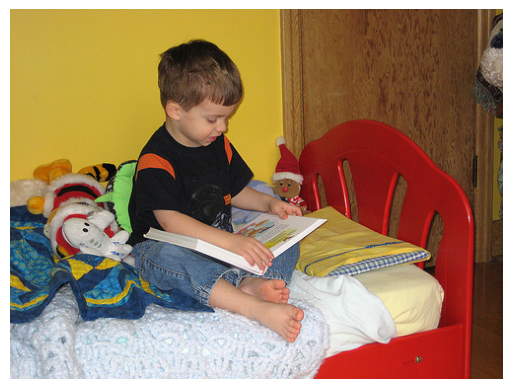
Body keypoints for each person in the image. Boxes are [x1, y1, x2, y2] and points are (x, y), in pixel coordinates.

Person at [128, 40, 304, 342]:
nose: (222, 128)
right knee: (169, 255)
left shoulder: (217, 143)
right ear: (175, 110)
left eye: (226, 118)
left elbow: (235, 191)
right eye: (213, 119)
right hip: (166, 248)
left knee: (288, 234)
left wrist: (269, 205)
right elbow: (171, 222)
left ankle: (252, 283)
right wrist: (231, 243)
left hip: (221, 249)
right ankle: (251, 306)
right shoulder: (156, 159)